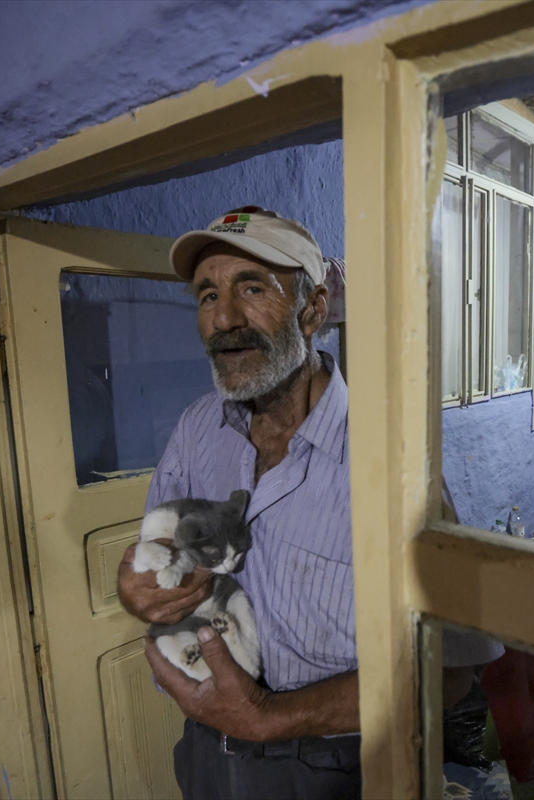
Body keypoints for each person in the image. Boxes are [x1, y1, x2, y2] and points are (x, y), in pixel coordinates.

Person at [115, 206, 359, 799]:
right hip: (205, 752)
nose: (223, 318)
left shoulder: (386, 452)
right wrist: (135, 589)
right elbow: (157, 555)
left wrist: (270, 717)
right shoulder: (198, 427)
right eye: (207, 295)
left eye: (252, 288)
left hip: (330, 769)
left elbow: (449, 673)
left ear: (313, 309)